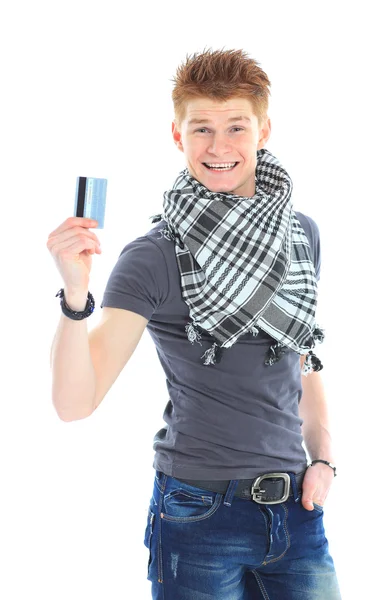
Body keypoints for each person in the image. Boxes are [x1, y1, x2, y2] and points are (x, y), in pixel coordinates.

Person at [47, 48, 341, 599]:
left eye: (236, 126)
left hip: (297, 513)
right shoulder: (155, 255)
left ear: (264, 130)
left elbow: (305, 356)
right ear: (178, 135)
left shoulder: (301, 235)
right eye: (201, 128)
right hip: (197, 514)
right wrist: (74, 294)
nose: (220, 146)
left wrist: (323, 458)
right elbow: (73, 403)